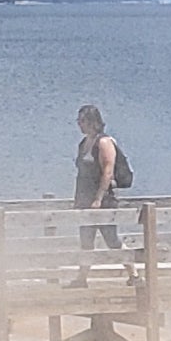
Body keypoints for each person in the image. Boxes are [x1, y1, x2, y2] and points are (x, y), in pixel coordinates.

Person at [73, 103, 124, 276]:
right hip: (84, 197)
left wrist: (99, 198)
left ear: (93, 122)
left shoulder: (104, 142)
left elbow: (108, 171)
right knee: (86, 240)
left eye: (83, 121)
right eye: (78, 121)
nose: (80, 124)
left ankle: (134, 274)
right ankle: (82, 277)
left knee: (112, 240)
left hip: (103, 200)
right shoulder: (83, 143)